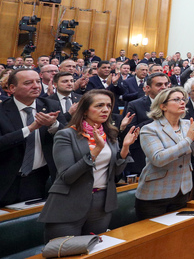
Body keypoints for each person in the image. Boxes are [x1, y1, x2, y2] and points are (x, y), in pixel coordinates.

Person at [37, 90, 139, 240]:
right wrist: (96, 150)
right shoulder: (66, 135)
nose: (105, 109)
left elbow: (116, 172)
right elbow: (67, 176)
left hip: (101, 203)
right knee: (64, 253)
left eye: (108, 106)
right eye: (99, 105)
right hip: (69, 202)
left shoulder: (110, 134)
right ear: (84, 110)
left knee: (94, 251)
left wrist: (124, 148)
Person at [134, 87, 194, 220]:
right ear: (163, 106)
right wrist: (188, 139)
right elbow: (158, 159)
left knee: (176, 235)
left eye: (183, 99)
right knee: (153, 238)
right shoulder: (149, 129)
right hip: (155, 194)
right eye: (177, 99)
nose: (182, 102)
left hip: (182, 190)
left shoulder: (187, 125)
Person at [0, 69, 66, 206]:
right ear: (12, 88)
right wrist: (30, 129)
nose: (36, 86)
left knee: (30, 221)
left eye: (38, 81)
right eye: (28, 83)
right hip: (6, 177)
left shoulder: (50, 106)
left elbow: (67, 135)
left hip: (38, 177)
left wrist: (53, 124)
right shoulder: (2, 110)